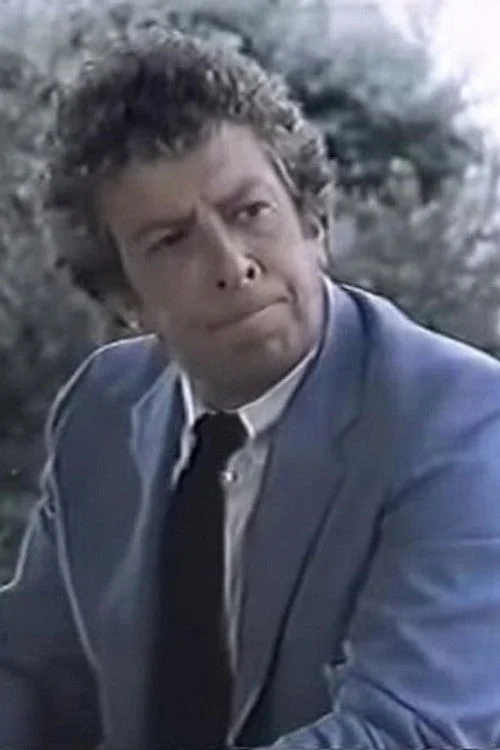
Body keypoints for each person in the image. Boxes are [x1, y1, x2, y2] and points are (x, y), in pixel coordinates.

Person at [1, 27, 500, 750]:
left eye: (249, 212)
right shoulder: (104, 406)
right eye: (171, 241)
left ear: (313, 223)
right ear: (125, 299)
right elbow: (35, 673)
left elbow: (408, 731)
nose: (232, 263)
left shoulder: (461, 421)